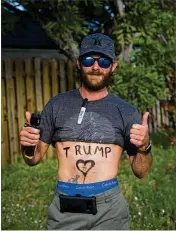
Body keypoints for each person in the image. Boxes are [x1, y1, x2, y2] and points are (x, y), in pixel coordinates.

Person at [20, 33, 152, 230]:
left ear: (113, 66)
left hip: (110, 211)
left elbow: (141, 172)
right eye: (89, 60)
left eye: (104, 62)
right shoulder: (57, 105)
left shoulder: (126, 111)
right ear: (79, 63)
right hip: (65, 208)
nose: (96, 67)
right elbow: (33, 159)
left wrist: (144, 146)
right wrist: (28, 146)